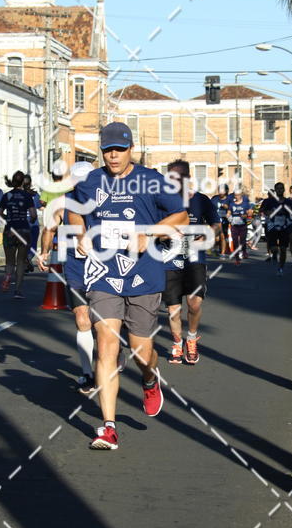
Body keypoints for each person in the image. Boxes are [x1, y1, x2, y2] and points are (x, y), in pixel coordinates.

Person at [69, 122, 188, 451]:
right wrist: (80, 234)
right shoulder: (91, 182)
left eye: (119, 150)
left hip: (144, 275)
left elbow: (181, 217)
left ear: (130, 149)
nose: (113, 156)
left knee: (140, 351)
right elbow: (74, 212)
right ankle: (108, 427)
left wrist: (148, 232)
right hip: (103, 274)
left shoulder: (150, 179)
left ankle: (150, 378)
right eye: (107, 150)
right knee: (106, 342)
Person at [39, 162, 97, 394]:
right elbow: (50, 229)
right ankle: (88, 373)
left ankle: (115, 353)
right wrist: (44, 252)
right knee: (82, 317)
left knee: (107, 320)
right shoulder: (61, 203)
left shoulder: (106, 200)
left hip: (106, 266)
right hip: (75, 266)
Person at [162, 160, 218, 365]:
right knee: (173, 309)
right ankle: (177, 343)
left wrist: (207, 236)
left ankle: (191, 338)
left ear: (187, 178)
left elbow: (216, 224)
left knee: (194, 304)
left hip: (195, 258)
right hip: (170, 258)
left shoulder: (201, 200)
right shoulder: (163, 200)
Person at [0, 171, 36, 299]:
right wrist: (30, 221)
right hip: (23, 231)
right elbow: (33, 215)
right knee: (20, 262)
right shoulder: (27, 196)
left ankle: (7, 277)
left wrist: (8, 218)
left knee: (9, 262)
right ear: (22, 182)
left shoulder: (6, 195)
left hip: (9, 231)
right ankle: (18, 290)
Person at [260, 182, 292, 276]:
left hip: (284, 227)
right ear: (275, 190)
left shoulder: (288, 201)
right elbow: (263, 210)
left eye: (281, 188)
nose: (279, 190)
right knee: (274, 248)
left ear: (284, 190)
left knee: (283, 249)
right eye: (278, 188)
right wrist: (269, 212)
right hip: (272, 226)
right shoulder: (270, 201)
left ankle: (281, 268)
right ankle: (274, 253)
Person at [23, 173, 42, 272]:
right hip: (33, 224)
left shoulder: (16, 194)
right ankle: (28, 258)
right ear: (30, 183)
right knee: (33, 244)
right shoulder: (35, 195)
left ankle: (24, 260)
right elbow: (41, 207)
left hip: (20, 223)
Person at [227, 188, 252, 263]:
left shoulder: (245, 204)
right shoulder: (232, 204)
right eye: (235, 195)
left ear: (241, 195)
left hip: (243, 225)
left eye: (238, 195)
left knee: (242, 240)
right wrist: (229, 217)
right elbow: (228, 213)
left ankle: (244, 252)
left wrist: (246, 215)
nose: (236, 196)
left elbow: (250, 213)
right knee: (235, 241)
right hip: (234, 225)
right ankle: (237, 255)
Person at [210, 184, 231, 257]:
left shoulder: (229, 199)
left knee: (222, 236)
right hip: (215, 220)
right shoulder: (215, 198)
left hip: (224, 220)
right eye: (219, 190)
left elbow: (232, 208)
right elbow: (209, 207)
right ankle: (215, 249)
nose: (221, 192)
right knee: (216, 237)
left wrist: (227, 208)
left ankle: (222, 252)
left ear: (226, 191)